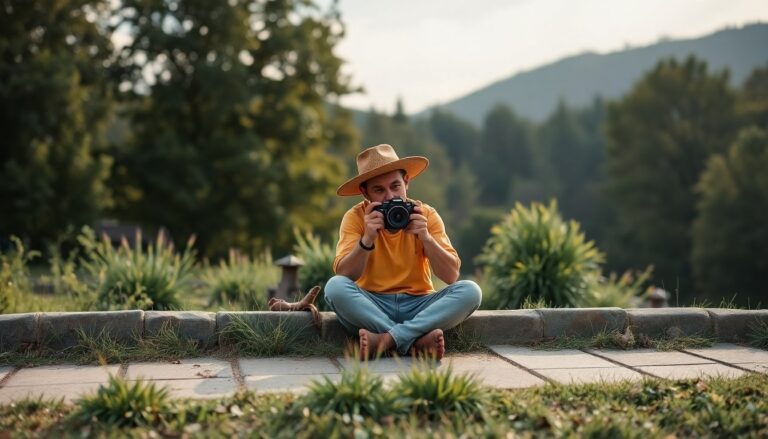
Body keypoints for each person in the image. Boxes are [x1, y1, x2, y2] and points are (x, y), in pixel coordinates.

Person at [324, 143, 482, 360]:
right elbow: (344, 275)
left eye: (395, 186)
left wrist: (425, 238)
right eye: (379, 190)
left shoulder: (425, 214)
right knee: (334, 287)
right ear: (365, 193)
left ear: (406, 181)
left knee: (471, 291)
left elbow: (451, 276)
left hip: (419, 304)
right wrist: (367, 238)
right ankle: (414, 343)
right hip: (372, 306)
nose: (390, 196)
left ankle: (385, 340)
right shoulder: (355, 218)